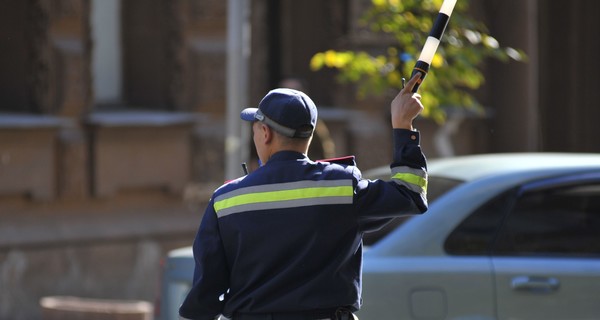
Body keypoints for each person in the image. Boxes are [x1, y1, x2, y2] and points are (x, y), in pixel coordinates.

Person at [179, 74, 428, 320]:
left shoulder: (225, 201)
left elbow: (205, 296)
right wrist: (402, 124)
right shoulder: (342, 188)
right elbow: (411, 193)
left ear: (265, 133)